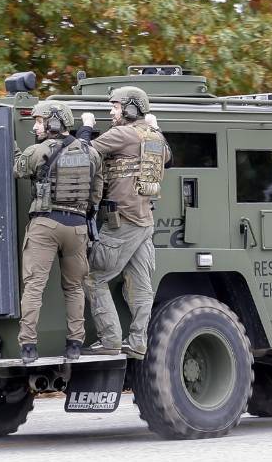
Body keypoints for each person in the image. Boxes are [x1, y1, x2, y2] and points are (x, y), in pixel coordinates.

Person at [80, 87, 169, 359]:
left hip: (122, 223)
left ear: (131, 108)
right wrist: (157, 128)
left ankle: (110, 340)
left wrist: (86, 126)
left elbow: (81, 153)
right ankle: (139, 341)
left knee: (93, 277)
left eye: (115, 107)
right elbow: (169, 157)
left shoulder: (121, 134)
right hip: (144, 222)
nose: (111, 112)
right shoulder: (154, 137)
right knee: (141, 284)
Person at [13, 100, 103, 363]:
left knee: (34, 288)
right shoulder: (91, 153)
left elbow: (16, 168)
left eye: (39, 121)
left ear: (54, 122)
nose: (36, 126)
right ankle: (75, 343)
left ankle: (28, 346)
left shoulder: (38, 151)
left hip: (45, 225)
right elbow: (96, 191)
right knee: (75, 288)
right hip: (77, 228)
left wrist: (12, 147)